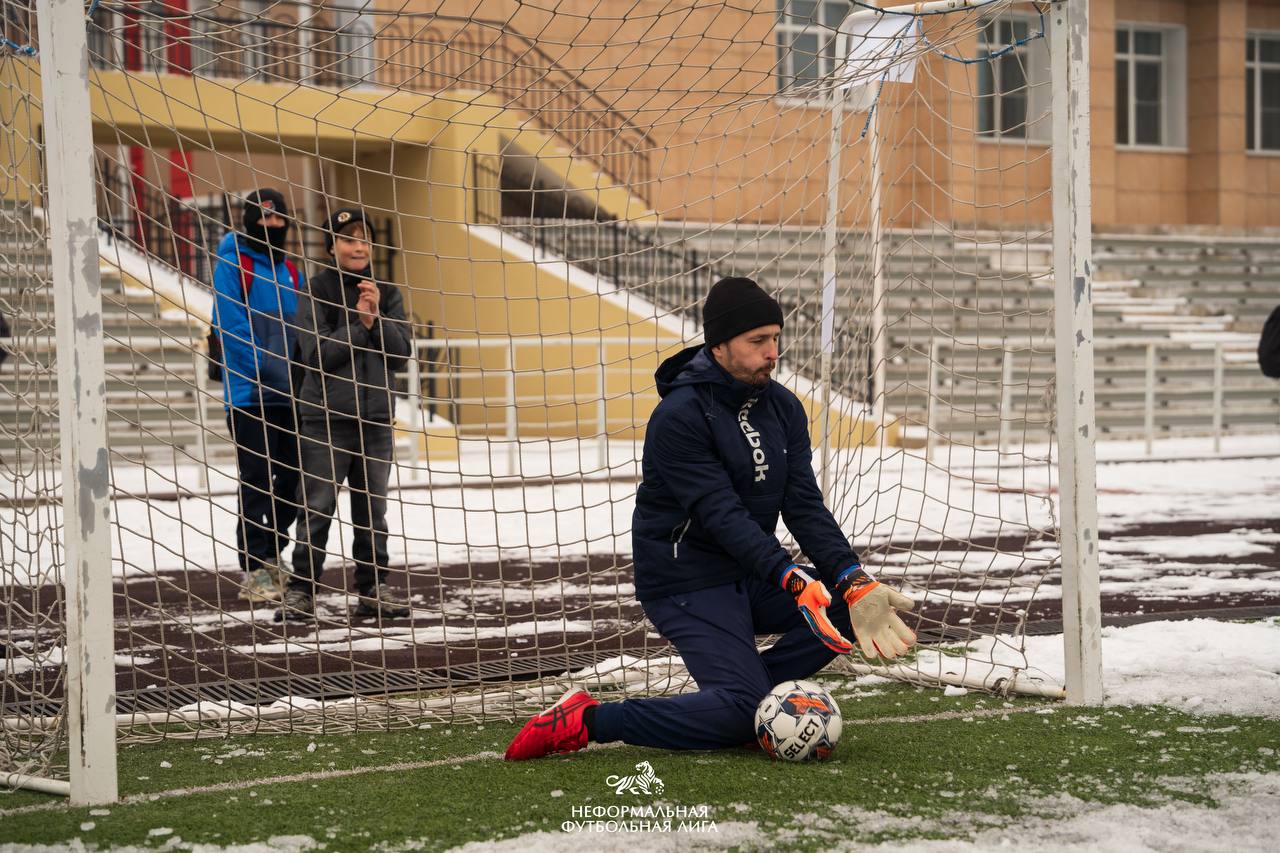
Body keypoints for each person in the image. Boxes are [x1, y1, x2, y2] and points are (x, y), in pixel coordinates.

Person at [505, 276, 917, 760]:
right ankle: (586, 719)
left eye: (776, 339)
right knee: (740, 710)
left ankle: (748, 701)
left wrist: (851, 577)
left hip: (748, 572)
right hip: (687, 580)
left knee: (858, 606)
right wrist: (787, 575)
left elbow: (803, 505)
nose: (772, 352)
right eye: (757, 341)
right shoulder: (680, 415)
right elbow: (721, 513)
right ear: (719, 345)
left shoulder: (784, 408)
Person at [279, 208, 413, 622]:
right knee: (316, 507)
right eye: (349, 239)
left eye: (364, 239)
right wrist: (362, 323)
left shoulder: (386, 292)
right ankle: (302, 589)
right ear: (333, 246)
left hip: (375, 421)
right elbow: (317, 352)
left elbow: (400, 352)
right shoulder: (316, 289)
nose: (358, 247)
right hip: (325, 419)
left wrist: (376, 319)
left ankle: (374, 588)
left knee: (373, 511)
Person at [211, 189, 304, 603]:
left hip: (291, 396)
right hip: (251, 395)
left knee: (295, 481)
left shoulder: (293, 272)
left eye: (278, 221)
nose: (271, 227)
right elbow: (230, 327)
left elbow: (301, 334)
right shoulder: (233, 264)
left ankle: (273, 552)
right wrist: (266, 371)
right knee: (256, 479)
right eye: (263, 220)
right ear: (249, 222)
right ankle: (255, 565)